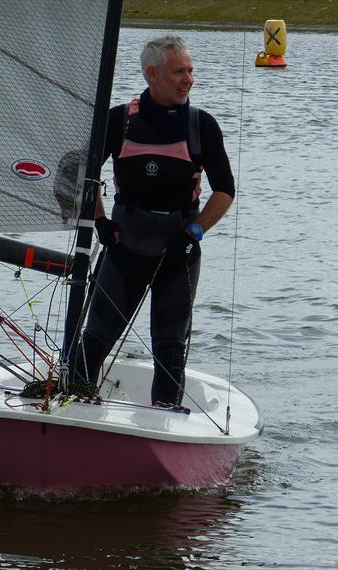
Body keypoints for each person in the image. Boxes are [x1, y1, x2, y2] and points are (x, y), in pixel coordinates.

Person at [69, 36, 235, 407]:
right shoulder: (120, 121)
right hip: (124, 243)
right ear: (152, 74)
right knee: (95, 338)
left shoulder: (201, 126)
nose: (188, 79)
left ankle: (164, 417)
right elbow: (78, 171)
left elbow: (225, 189)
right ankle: (76, 403)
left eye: (190, 70)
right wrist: (98, 220)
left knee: (170, 346)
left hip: (178, 250)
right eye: (180, 71)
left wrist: (195, 232)